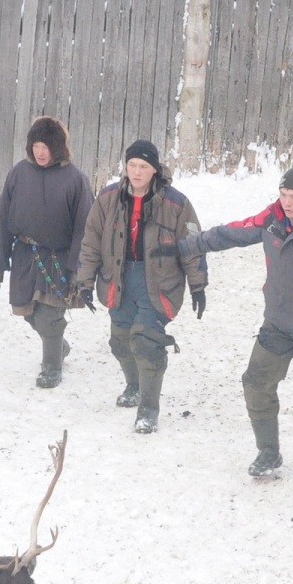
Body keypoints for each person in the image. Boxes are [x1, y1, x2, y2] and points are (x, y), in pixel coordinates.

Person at [179, 165, 293, 479]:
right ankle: (268, 451)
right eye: (282, 194)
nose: (287, 202)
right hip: (277, 323)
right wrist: (186, 246)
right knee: (255, 383)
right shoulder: (272, 220)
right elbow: (232, 233)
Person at [72, 139, 206, 435]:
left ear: (155, 170)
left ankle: (148, 408)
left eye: (143, 166)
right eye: (132, 165)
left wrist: (198, 285)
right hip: (118, 278)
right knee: (120, 341)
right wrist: (85, 281)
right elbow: (91, 240)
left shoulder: (176, 203)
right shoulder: (108, 199)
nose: (136, 171)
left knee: (146, 342)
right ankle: (133, 384)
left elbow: (193, 244)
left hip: (158, 282)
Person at [0, 117, 94, 389]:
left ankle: (51, 367)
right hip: (25, 254)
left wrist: (80, 270)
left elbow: (86, 227)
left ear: (57, 147)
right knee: (28, 311)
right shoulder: (19, 173)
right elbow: (2, 218)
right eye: (36, 145)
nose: (40, 152)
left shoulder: (75, 179)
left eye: (46, 146)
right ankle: (58, 347)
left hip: (59, 257)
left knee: (50, 316)